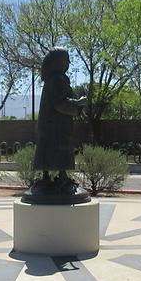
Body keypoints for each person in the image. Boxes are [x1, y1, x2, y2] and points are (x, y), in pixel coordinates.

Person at [33, 47, 87, 193]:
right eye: (67, 59)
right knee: (60, 149)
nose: (69, 62)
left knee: (47, 151)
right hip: (57, 127)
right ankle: (62, 178)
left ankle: (46, 177)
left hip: (48, 125)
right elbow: (60, 104)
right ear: (59, 61)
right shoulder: (59, 79)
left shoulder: (51, 80)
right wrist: (79, 102)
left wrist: (76, 106)